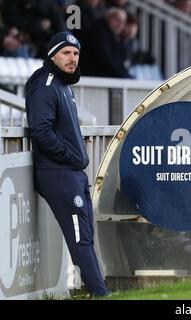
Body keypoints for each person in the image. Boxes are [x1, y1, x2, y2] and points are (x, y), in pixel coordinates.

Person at [25, 31, 110, 297]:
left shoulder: (62, 83)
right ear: (52, 55)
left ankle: (95, 288)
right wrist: (70, 156)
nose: (73, 58)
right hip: (59, 173)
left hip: (73, 171)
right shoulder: (45, 85)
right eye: (66, 53)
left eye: (75, 54)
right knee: (80, 237)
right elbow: (41, 131)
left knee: (86, 234)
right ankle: (100, 292)